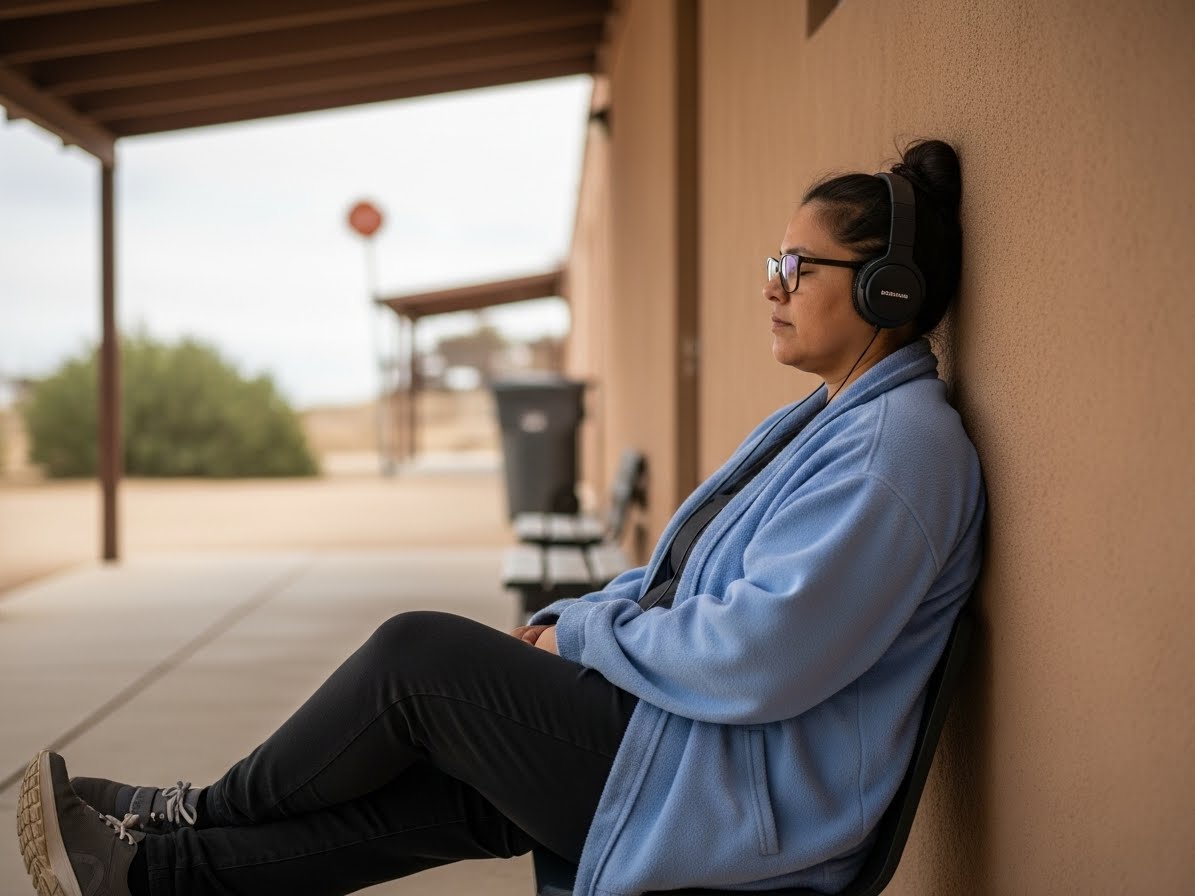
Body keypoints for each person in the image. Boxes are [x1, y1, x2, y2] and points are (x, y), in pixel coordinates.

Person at [17, 138, 984, 896]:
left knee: (418, 659)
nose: (771, 285)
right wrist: (575, 621)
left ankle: (193, 815)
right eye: (775, 261)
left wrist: (585, 638)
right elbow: (678, 584)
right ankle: (152, 876)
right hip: (697, 744)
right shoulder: (835, 420)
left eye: (799, 266)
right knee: (464, 790)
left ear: (886, 289)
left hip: (734, 787)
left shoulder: (894, 452)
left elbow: (761, 655)